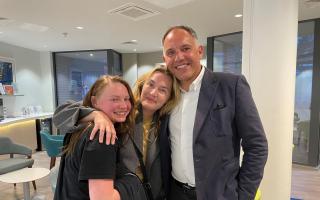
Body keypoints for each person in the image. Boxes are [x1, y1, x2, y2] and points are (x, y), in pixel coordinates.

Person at [54, 25, 268, 200]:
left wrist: (244, 195)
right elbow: (68, 111)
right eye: (171, 52)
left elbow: (256, 145)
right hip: (172, 193)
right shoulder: (128, 111)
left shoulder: (230, 85)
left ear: (199, 50)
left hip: (218, 194)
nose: (179, 57)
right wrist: (95, 114)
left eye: (185, 48)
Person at [53, 66, 181, 200]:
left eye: (163, 90)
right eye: (151, 84)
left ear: (169, 97)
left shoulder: (167, 122)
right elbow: (62, 111)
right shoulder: (122, 114)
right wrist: (95, 114)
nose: (154, 92)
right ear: (143, 85)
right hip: (119, 191)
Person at [54, 75, 136, 200]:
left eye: (126, 99)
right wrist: (132, 183)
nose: (124, 105)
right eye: (114, 99)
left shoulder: (82, 125)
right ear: (94, 101)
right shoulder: (102, 135)